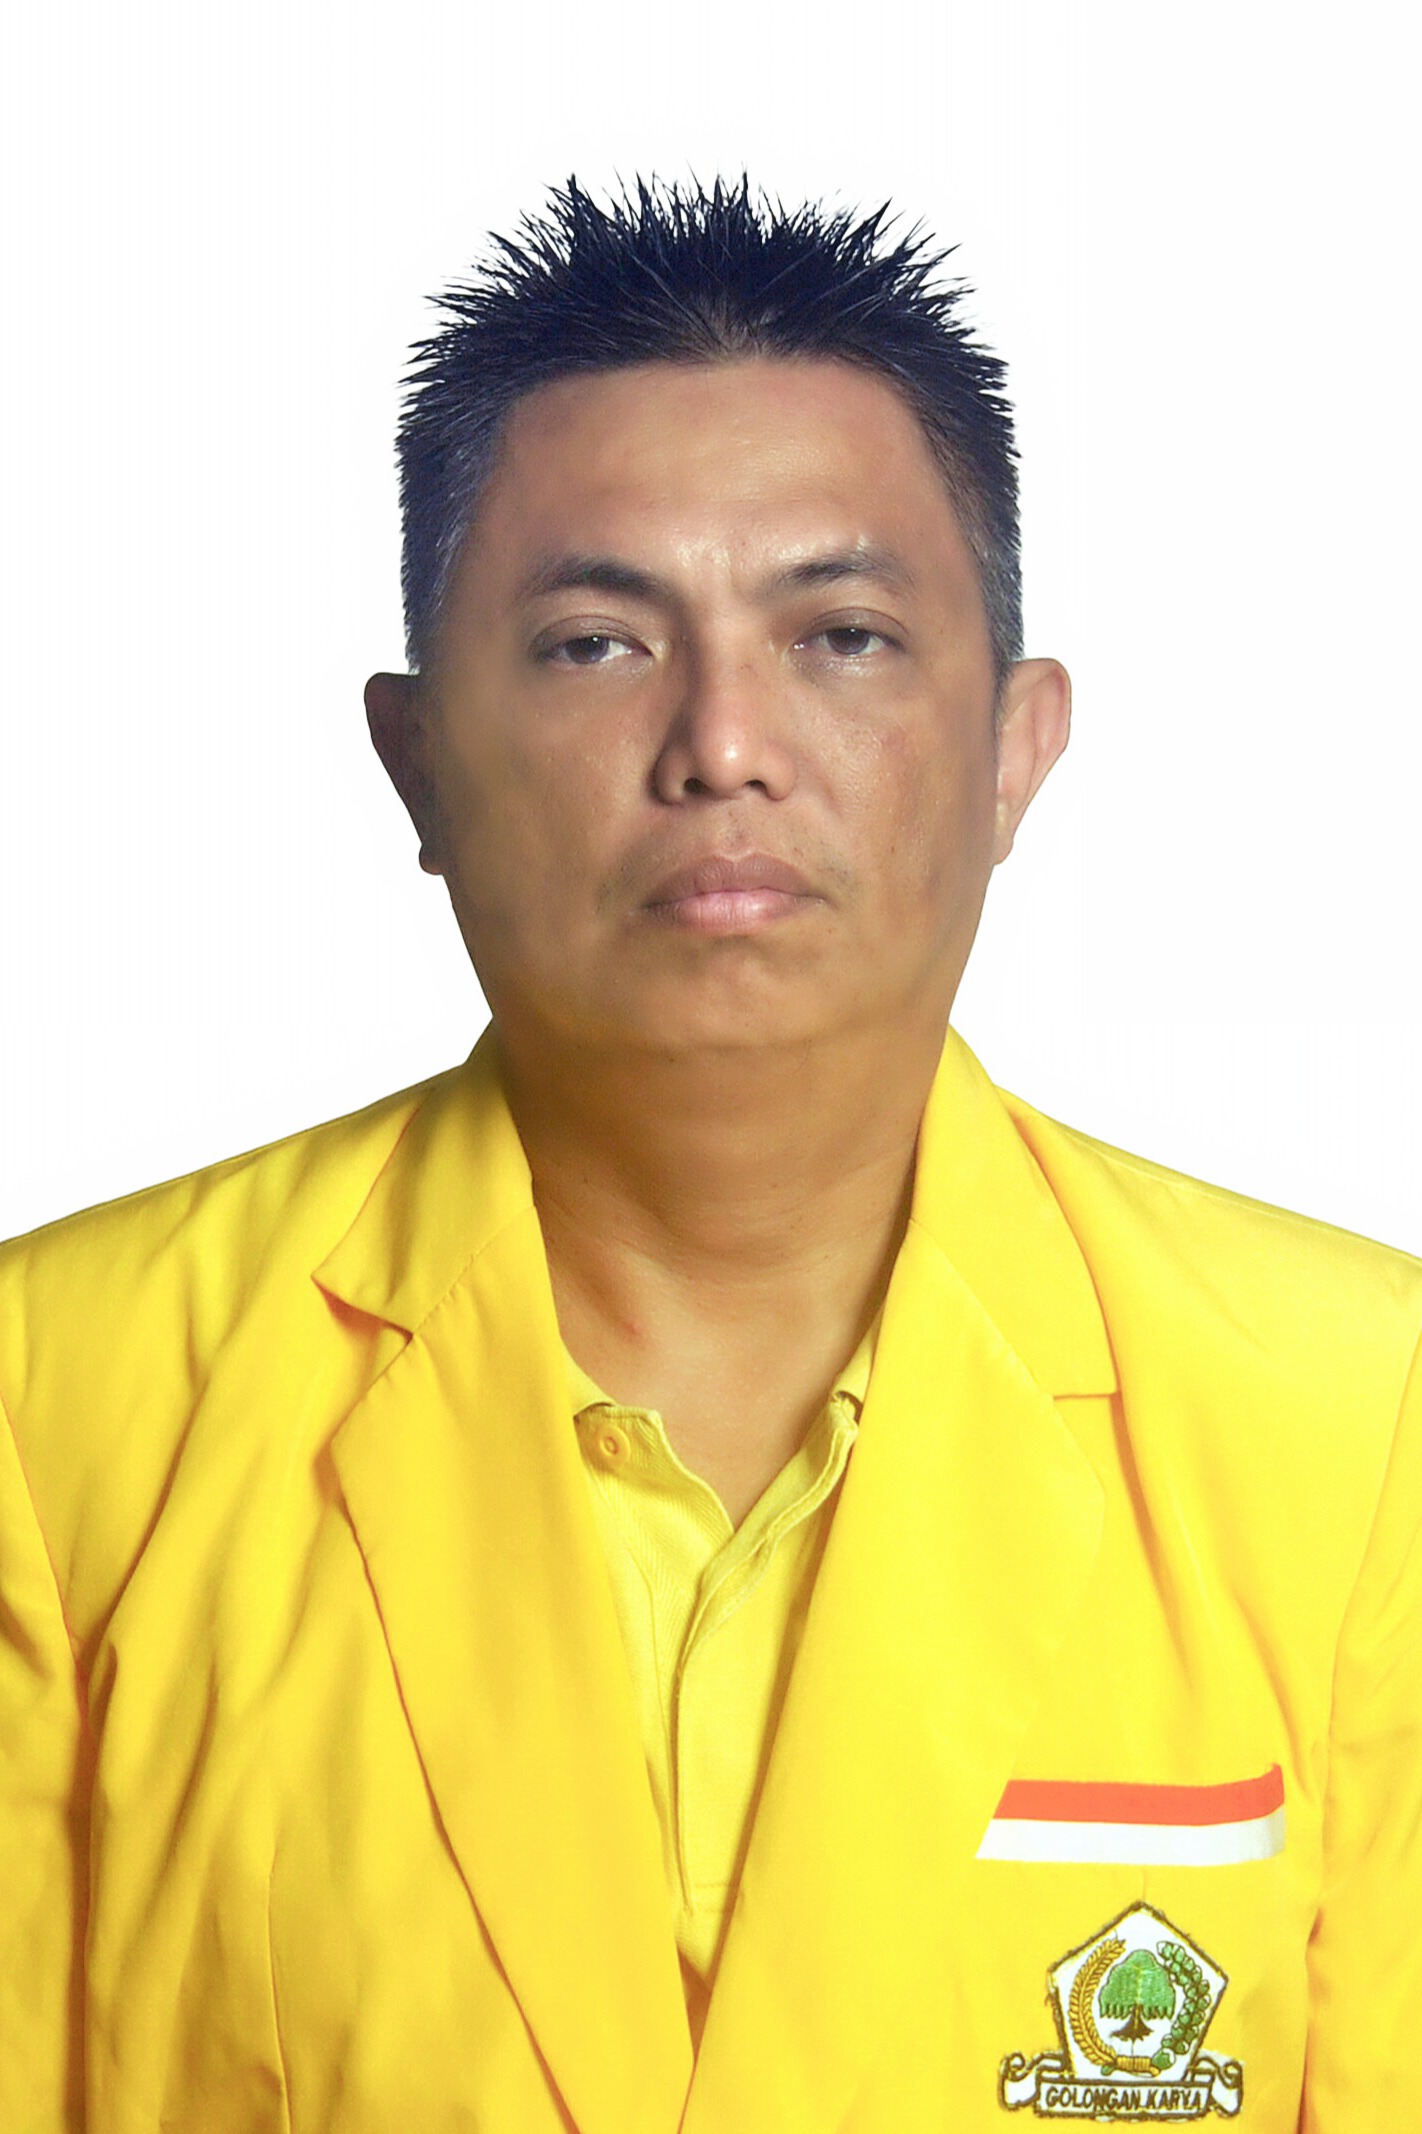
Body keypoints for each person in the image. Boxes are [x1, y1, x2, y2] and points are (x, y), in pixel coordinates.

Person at [1, 178, 1417, 2134]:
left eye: (842, 634)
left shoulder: (1356, 1421)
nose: (724, 742)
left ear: (1015, 746)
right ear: (415, 760)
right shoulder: (59, 1399)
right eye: (596, 643)